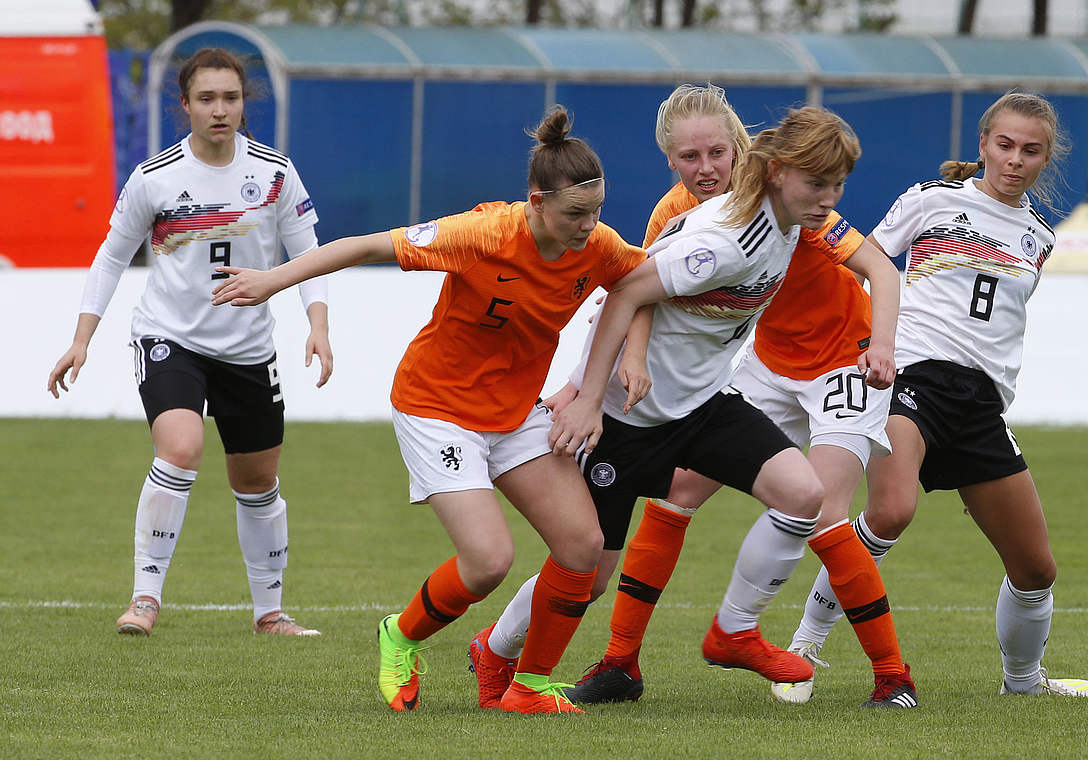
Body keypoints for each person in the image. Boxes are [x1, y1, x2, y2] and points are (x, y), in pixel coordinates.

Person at [475, 102, 918, 709]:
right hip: (632, 418)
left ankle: (733, 633)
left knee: (804, 492)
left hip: (702, 405)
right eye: (818, 184)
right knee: (588, 572)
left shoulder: (790, 216)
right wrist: (585, 397)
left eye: (837, 185)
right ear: (779, 172)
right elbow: (625, 291)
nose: (829, 198)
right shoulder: (729, 241)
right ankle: (496, 649)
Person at [209, 107, 644, 714]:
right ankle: (402, 635)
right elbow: (365, 245)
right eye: (575, 214)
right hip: (436, 407)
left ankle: (530, 684)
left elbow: (640, 284)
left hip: (516, 412)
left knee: (583, 547)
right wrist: (272, 281)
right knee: (489, 561)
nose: (589, 226)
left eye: (597, 211)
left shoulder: (596, 245)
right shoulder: (483, 235)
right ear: (536, 200)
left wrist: (601, 385)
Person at [780, 90, 1088, 699]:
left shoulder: (1040, 238)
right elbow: (865, 261)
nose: (1014, 160)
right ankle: (804, 648)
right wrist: (865, 341)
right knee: (889, 512)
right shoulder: (932, 202)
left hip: (979, 403)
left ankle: (1025, 683)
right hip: (912, 376)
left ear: (1045, 159)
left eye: (1030, 151)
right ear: (983, 144)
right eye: (1004, 145)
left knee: (1036, 569)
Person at [47, 48, 332, 638]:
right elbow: (109, 258)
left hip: (249, 348)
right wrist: (81, 340)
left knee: (256, 481)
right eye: (206, 99)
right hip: (170, 337)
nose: (220, 109)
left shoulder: (275, 173)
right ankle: (144, 600)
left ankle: (270, 613)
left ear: (243, 103)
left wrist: (319, 327)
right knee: (179, 446)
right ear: (185, 106)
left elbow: (311, 256)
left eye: (230, 97)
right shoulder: (155, 178)